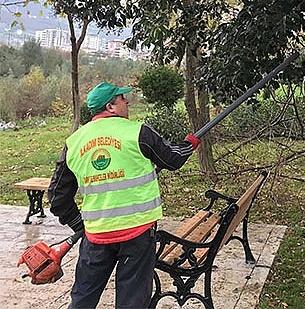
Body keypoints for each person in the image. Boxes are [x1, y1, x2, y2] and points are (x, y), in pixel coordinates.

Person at [47, 82, 201, 308]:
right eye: (122, 99)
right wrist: (189, 144)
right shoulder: (138, 132)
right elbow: (172, 159)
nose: (127, 102)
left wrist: (79, 224)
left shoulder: (74, 142)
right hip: (137, 235)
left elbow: (57, 196)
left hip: (96, 237)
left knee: (83, 299)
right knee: (132, 302)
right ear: (110, 106)